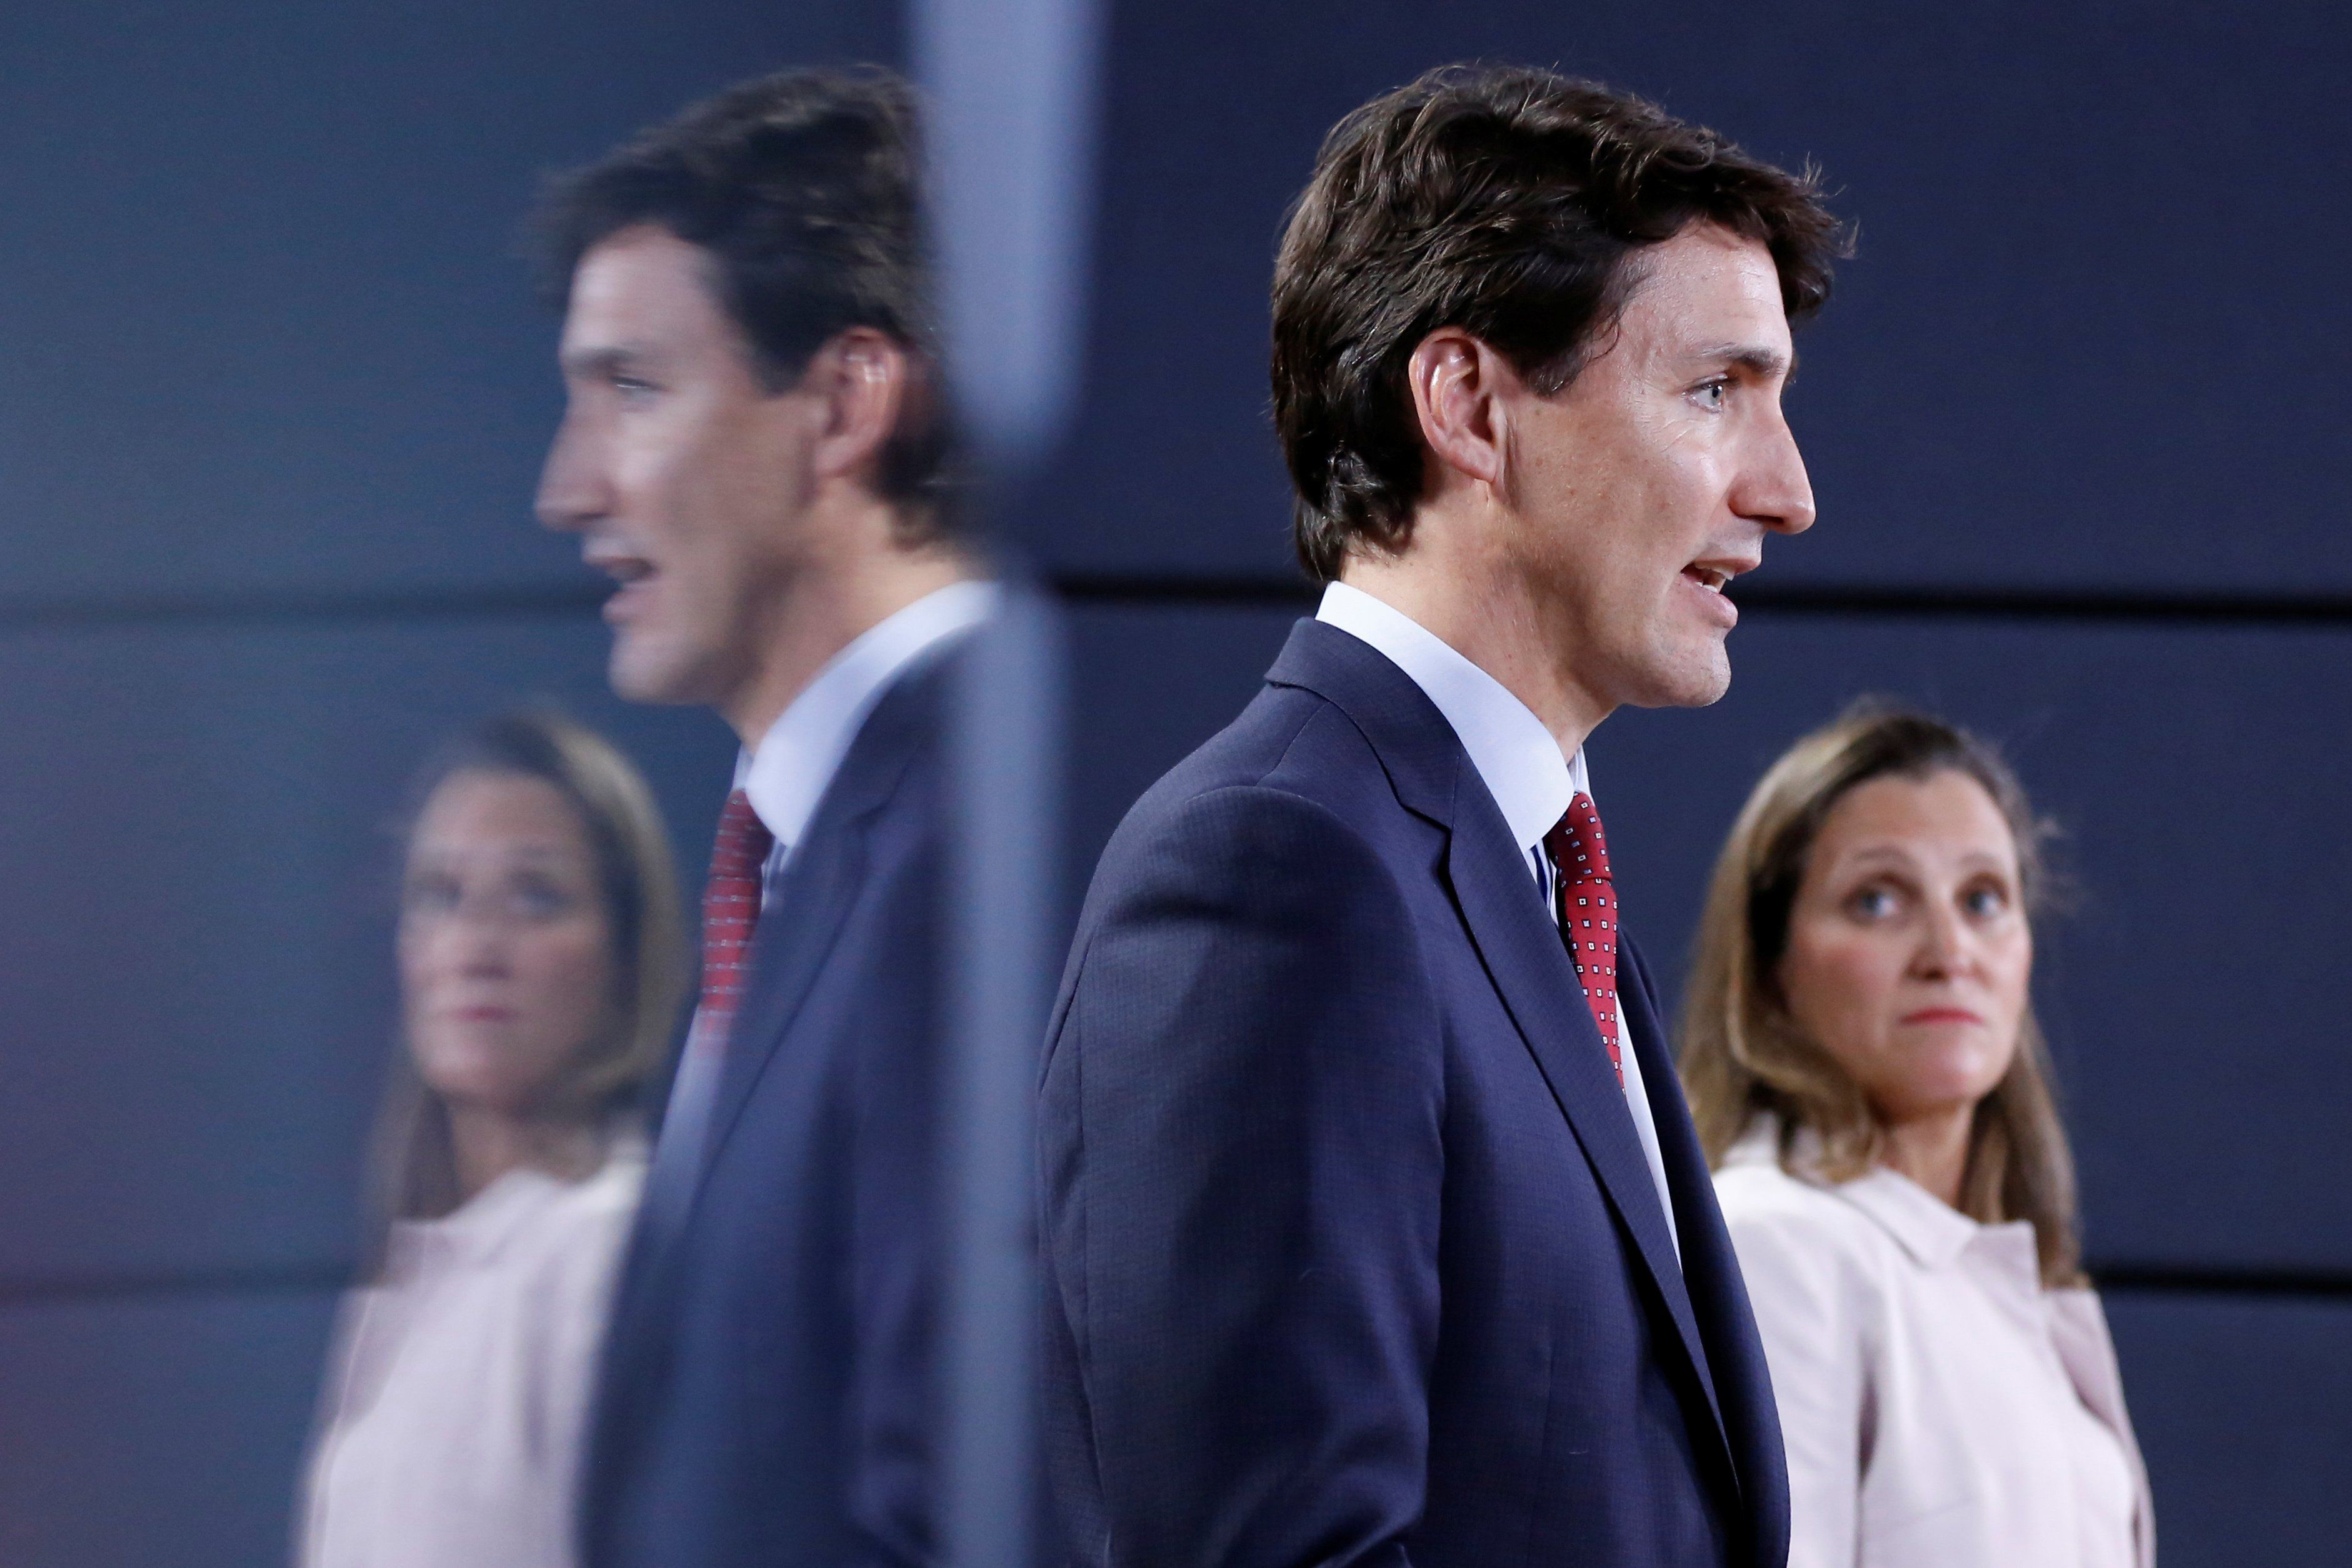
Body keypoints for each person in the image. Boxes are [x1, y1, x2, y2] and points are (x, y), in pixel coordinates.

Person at [1041, 63, 1845, 1568]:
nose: (1787, 490)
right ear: (1470, 406)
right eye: (1713, 391)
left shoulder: (1535, 885)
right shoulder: (1270, 869)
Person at [529, 66, 988, 1568]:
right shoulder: (801, 870)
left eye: (635, 390)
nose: (565, 488)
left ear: (846, 401)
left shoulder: (992, 863)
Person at [1678, 706, 2154, 1568]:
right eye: (1879, 899)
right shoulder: (1773, 1242)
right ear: (1774, 964)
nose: (1949, 950)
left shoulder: (2016, 1285)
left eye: (1982, 899)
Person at [300, 711, 688, 1568]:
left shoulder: (614, 1248)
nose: (476, 944)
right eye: (442, 895)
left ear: (626, 953)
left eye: (535, 895)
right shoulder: (411, 1271)